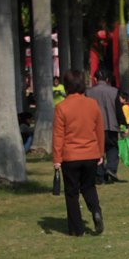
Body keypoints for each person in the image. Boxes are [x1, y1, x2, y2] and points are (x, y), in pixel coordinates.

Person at [53, 68, 105, 236]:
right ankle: (95, 210)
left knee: (72, 192)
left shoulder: (62, 107)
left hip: (70, 155)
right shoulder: (92, 104)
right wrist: (100, 153)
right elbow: (99, 131)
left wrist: (57, 158)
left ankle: (76, 229)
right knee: (89, 187)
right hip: (90, 153)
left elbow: (58, 135)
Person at [86, 69, 125, 184]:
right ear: (107, 80)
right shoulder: (114, 91)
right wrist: (123, 123)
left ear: (95, 79)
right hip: (111, 125)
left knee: (97, 151)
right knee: (112, 148)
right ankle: (111, 168)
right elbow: (119, 110)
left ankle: (99, 174)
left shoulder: (89, 92)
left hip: (94, 127)